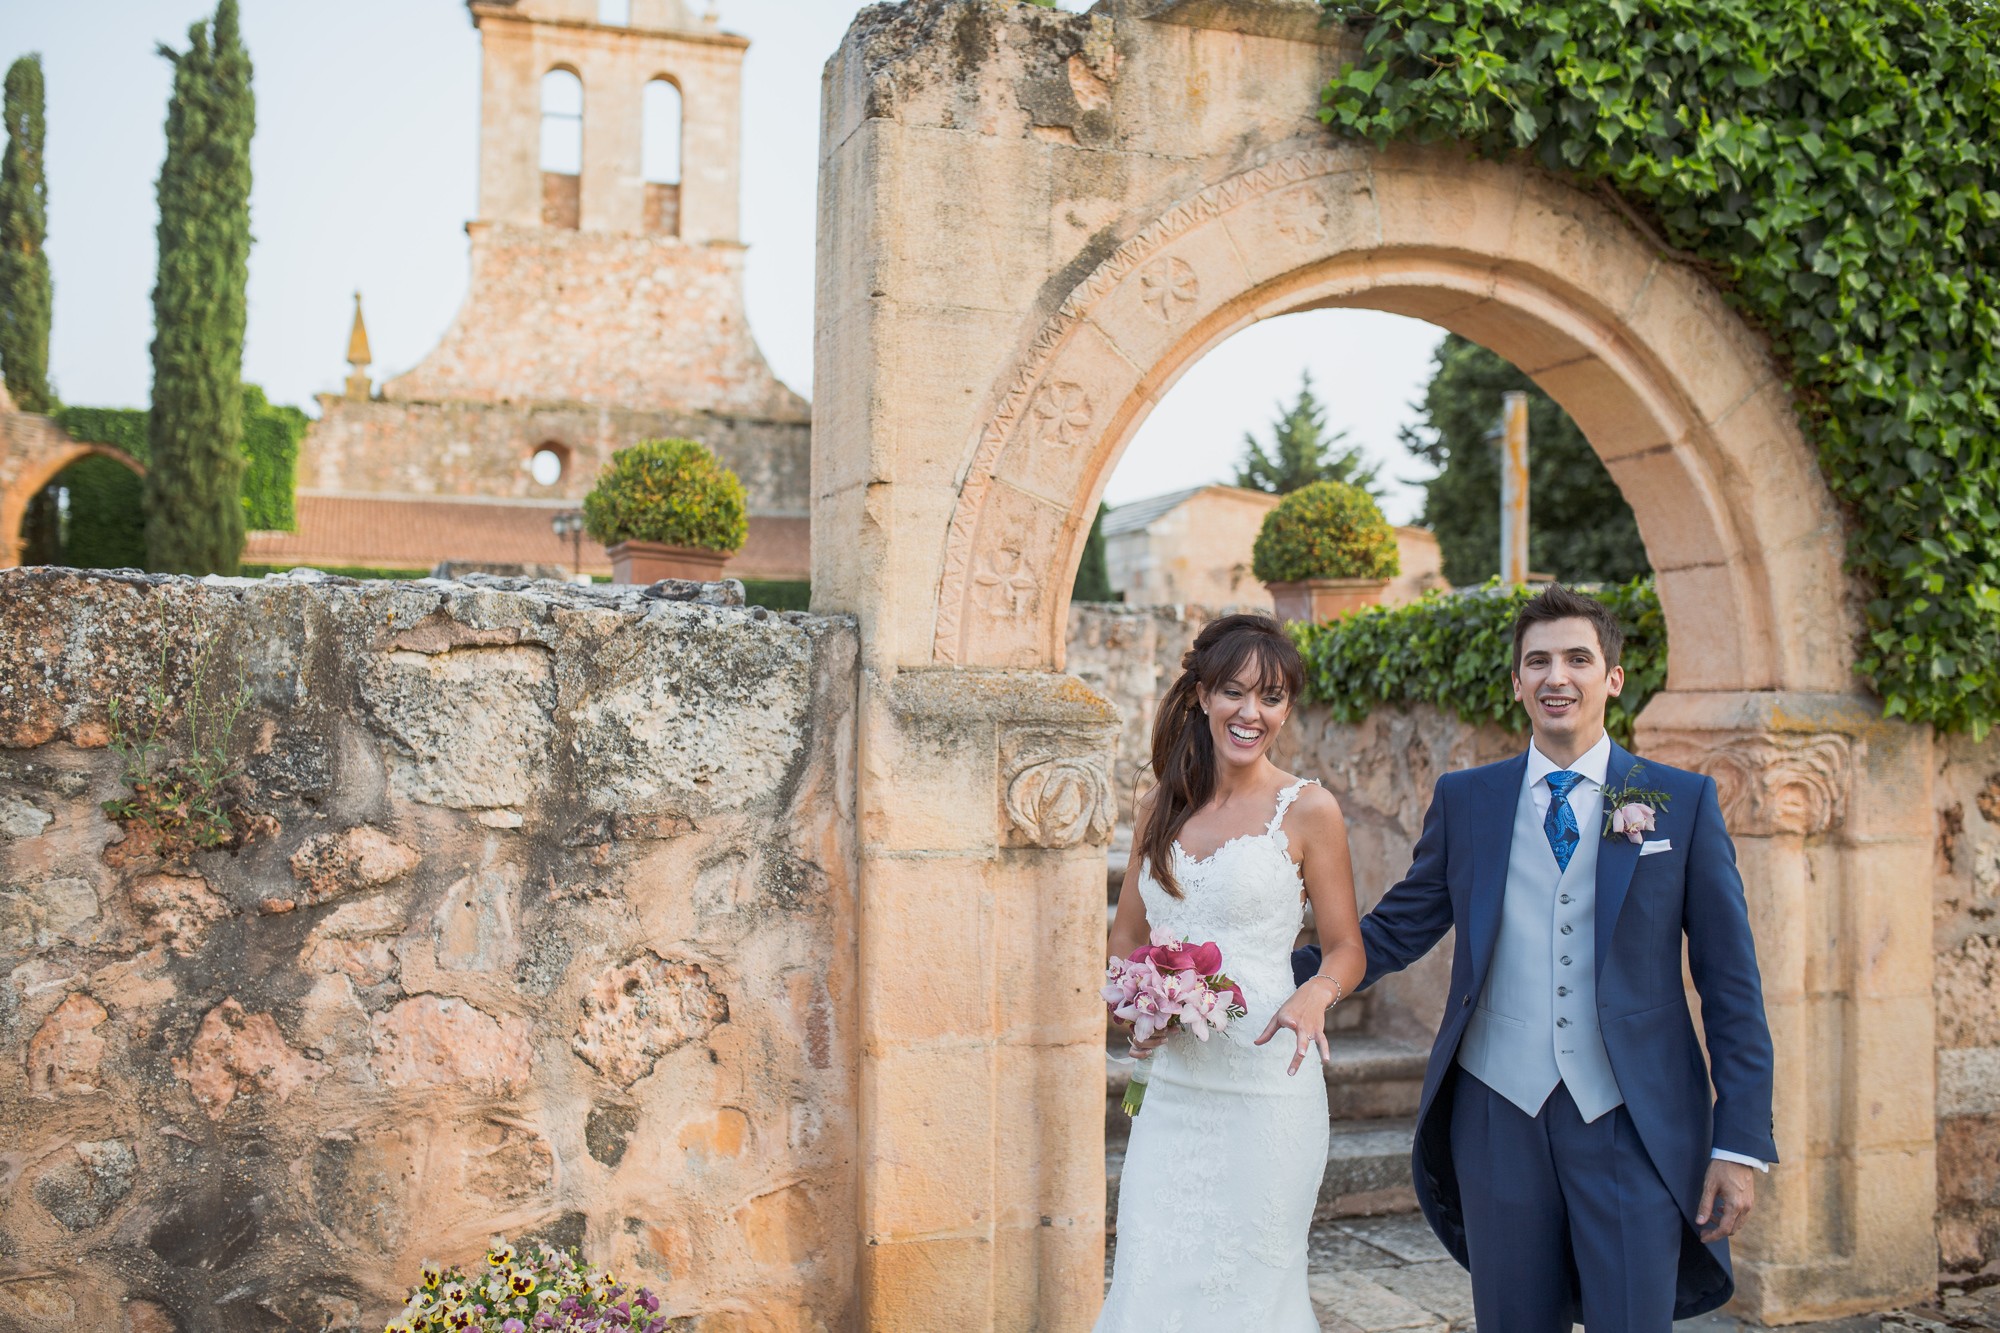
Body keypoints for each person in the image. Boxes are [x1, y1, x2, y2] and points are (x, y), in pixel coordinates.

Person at [1295, 583, 1777, 1332]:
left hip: (1631, 1122)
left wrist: (1740, 1141)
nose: (1558, 676)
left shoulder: (1679, 802)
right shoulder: (1468, 800)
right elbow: (1393, 930)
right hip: (1496, 1114)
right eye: (1539, 661)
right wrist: (1269, 980)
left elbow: (1732, 985)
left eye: (1578, 658)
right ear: (1517, 680)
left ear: (1611, 677)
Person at [1096, 613, 1367, 1329]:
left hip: (1267, 1085)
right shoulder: (1158, 806)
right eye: (1235, 692)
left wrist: (1317, 990)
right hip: (1175, 1090)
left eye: (1271, 697)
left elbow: (1347, 945)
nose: (1252, 712)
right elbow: (1126, 936)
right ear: (1201, 696)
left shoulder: (1309, 809)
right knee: (1153, 1274)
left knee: (1252, 1290)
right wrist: (1138, 1004)